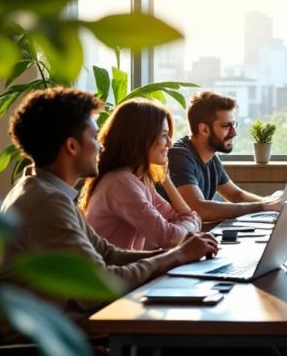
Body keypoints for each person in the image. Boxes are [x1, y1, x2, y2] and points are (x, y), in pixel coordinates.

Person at [0, 87, 218, 323]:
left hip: (69, 321)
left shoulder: (47, 190)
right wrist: (175, 257)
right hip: (51, 335)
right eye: (94, 137)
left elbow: (107, 253)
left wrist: (176, 254)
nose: (101, 146)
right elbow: (98, 288)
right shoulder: (47, 202)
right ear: (72, 146)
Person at [80, 99, 201, 250]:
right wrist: (193, 222)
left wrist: (166, 180)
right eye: (164, 135)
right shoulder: (121, 183)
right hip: (109, 272)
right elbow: (168, 238)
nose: (170, 144)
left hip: (126, 270)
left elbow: (178, 218)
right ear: (141, 138)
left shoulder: (138, 179)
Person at [166, 91, 282, 223]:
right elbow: (199, 209)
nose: (234, 133)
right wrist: (263, 207)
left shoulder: (212, 158)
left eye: (234, 125)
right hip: (173, 242)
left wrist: (272, 202)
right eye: (226, 126)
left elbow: (235, 195)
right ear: (204, 129)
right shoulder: (179, 156)